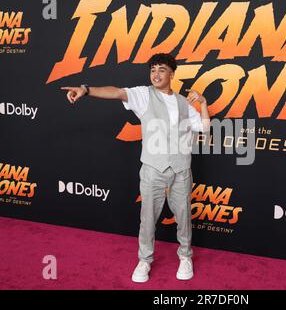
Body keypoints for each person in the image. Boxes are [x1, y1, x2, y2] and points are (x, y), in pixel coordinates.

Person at [61, 53, 210, 283]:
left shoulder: (183, 102)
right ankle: (145, 260)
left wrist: (203, 104)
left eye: (161, 70)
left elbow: (204, 128)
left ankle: (185, 256)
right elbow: (116, 91)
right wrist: (87, 89)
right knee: (148, 217)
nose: (156, 74)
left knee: (183, 215)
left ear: (172, 73)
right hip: (153, 168)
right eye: (152, 70)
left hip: (181, 169)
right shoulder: (143, 95)